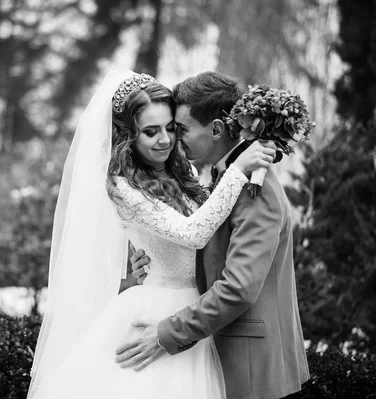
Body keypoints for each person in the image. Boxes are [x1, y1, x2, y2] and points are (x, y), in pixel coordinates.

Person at [27, 69, 276, 399]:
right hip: (158, 311)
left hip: (194, 309)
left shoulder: (180, 169)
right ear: (129, 135)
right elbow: (193, 233)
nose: (165, 140)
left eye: (171, 128)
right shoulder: (122, 185)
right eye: (150, 131)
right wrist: (237, 171)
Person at [117, 71, 310, 399]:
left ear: (217, 129)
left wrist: (166, 333)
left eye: (181, 128)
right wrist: (158, 257)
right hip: (221, 354)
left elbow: (237, 289)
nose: (175, 139)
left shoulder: (255, 188)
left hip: (249, 366)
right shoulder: (228, 178)